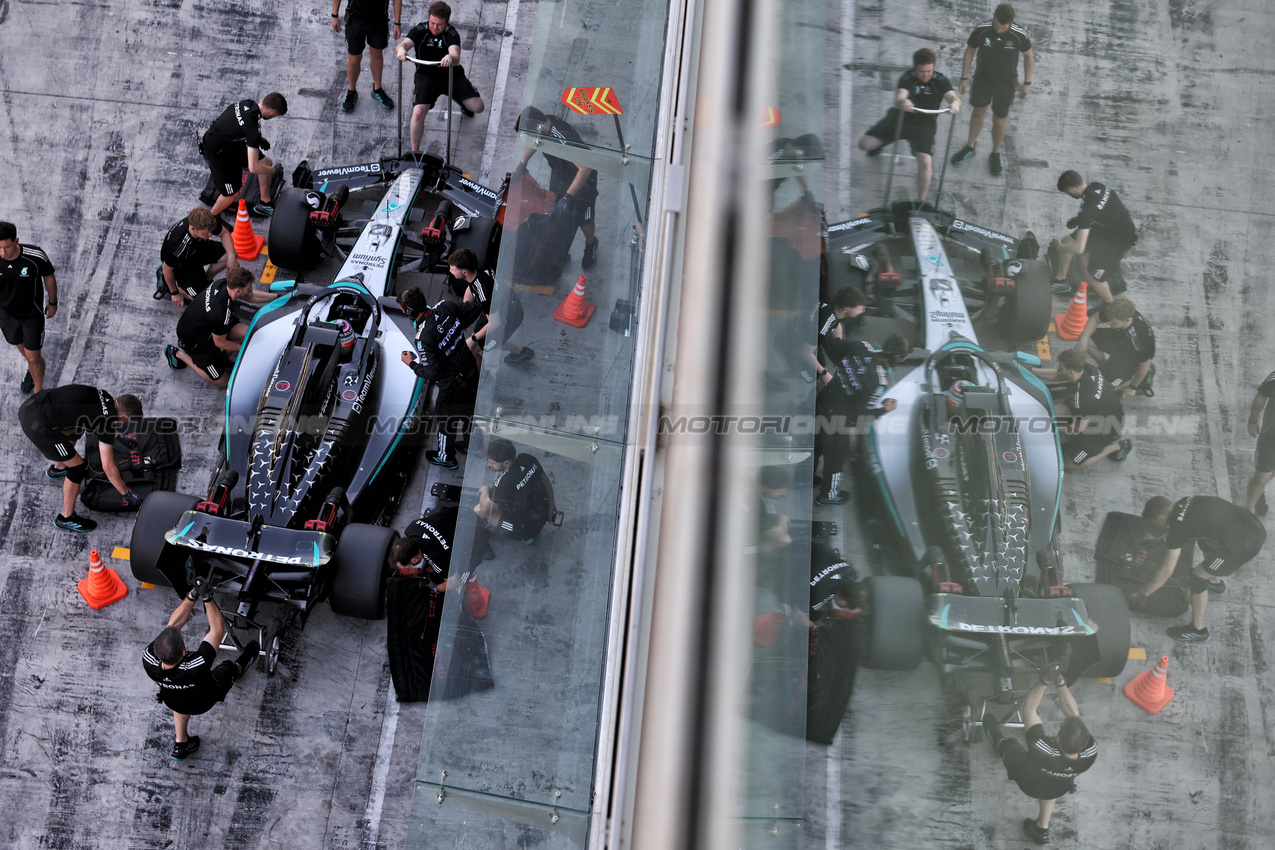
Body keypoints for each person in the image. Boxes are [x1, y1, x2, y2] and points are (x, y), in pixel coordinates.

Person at [142, 577, 258, 761]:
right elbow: (216, 630)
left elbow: (171, 627)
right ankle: (243, 663)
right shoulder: (196, 665)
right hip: (204, 699)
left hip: (174, 699)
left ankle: (182, 743)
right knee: (227, 667)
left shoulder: (149, 659)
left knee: (180, 699)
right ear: (183, 651)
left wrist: (191, 595)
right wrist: (207, 597)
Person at [984, 671, 1097, 846]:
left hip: (1028, 782)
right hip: (1058, 786)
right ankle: (1041, 829)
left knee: (1011, 745)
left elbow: (1028, 708)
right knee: (1052, 781)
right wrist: (1060, 682)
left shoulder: (1043, 748)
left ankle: (995, 738)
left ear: (1057, 738)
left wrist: (1044, 680)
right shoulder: (1089, 752)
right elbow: (1074, 717)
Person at [1136, 495, 1267, 642]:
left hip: (1243, 546)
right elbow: (1185, 527)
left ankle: (1198, 630)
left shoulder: (1176, 528)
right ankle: (1214, 582)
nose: (1160, 527)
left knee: (1196, 579)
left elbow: (1167, 569)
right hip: (1253, 525)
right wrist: (1159, 540)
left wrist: (1144, 593)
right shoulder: (1185, 501)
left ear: (1161, 519)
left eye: (1158, 524)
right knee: (1204, 540)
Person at [19, 384, 143, 532]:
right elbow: (108, 467)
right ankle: (66, 517)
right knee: (78, 467)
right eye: (126, 422)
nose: (124, 425)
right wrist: (126, 493)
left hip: (33, 404)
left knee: (77, 427)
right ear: (124, 416)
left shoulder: (104, 396)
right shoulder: (107, 421)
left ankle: (59, 468)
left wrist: (119, 437)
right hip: (37, 425)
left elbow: (94, 419)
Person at [857, 48, 961, 202]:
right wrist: (903, 102)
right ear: (915, 68)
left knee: (926, 164)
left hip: (925, 124)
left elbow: (953, 97)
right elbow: (899, 97)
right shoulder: (907, 78)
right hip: (900, 118)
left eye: (929, 71)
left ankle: (920, 202)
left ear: (933, 67)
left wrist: (955, 104)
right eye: (921, 71)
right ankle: (880, 144)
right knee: (864, 145)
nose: (925, 75)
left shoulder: (940, 80)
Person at [813, 335, 908, 504]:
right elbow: (861, 416)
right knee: (836, 459)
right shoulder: (877, 381)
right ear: (896, 360)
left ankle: (803, 478)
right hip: (836, 421)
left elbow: (830, 343)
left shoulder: (861, 346)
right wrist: (883, 410)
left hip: (821, 402)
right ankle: (828, 495)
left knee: (815, 445)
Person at [397, 286, 485, 468]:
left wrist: (411, 364)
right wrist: (456, 326)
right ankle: (473, 445)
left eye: (403, 309)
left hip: (451, 384)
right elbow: (475, 310)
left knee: (445, 422)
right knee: (470, 410)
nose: (403, 311)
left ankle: (446, 457)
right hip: (470, 368)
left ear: (410, 312)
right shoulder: (445, 307)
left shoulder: (423, 338)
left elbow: (431, 373)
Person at [949, 4, 1033, 177]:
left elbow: (1028, 55)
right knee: (978, 113)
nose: (999, 30)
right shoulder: (982, 29)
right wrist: (964, 78)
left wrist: (1027, 82)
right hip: (982, 80)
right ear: (993, 17)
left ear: (1012, 22)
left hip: (1006, 83)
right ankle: (970, 146)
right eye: (996, 25)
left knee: (999, 120)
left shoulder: (1019, 34)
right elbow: (970, 50)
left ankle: (995, 154)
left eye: (1003, 27)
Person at [514, 106, 601, 269]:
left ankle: (591, 244)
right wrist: (522, 163)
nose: (529, 138)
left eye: (528, 133)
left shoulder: (563, 139)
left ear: (537, 127)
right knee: (557, 213)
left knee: (584, 218)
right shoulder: (544, 122)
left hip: (583, 180)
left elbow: (586, 169)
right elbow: (536, 141)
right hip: (562, 174)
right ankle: (560, 250)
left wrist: (568, 196)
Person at [396, 2, 486, 152]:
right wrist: (401, 50)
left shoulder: (451, 34)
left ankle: (459, 98)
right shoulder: (420, 30)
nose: (435, 27)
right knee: (418, 112)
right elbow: (403, 45)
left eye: (439, 24)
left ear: (447, 22)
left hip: (450, 75)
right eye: (432, 23)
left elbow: (455, 55)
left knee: (478, 107)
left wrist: (451, 58)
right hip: (426, 76)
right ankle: (415, 152)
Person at [1032, 347, 1131, 469]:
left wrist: (1051, 428)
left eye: (1061, 368)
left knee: (1067, 464)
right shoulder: (1086, 368)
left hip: (1106, 427)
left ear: (1071, 372)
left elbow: (1078, 428)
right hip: (1095, 410)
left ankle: (1116, 446)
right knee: (1046, 413)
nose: (1059, 369)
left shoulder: (1085, 399)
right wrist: (1031, 370)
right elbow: (1058, 376)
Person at [1051, 170, 1137, 300]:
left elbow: (1078, 248)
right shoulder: (1097, 186)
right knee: (1067, 240)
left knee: (1095, 277)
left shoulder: (1087, 211)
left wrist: (1059, 247)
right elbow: (1102, 208)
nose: (1069, 195)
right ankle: (1061, 281)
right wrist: (1078, 220)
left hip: (1119, 240)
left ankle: (1110, 306)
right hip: (1108, 228)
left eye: (1067, 193)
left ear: (1071, 190)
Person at [201, 92, 288, 217]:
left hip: (229, 144)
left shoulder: (247, 103)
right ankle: (210, 218)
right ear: (272, 113)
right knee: (232, 194)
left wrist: (258, 140)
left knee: (266, 162)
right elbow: (253, 168)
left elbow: (236, 124)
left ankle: (264, 203)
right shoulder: (252, 129)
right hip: (216, 154)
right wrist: (274, 170)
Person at [446, 248, 534, 364]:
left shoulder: (483, 294)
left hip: (508, 317)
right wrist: (464, 312)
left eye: (453, 270)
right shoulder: (477, 266)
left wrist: (473, 339)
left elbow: (495, 323)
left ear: (464, 272)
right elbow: (471, 287)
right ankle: (522, 352)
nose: (451, 272)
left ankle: (482, 377)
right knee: (484, 340)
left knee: (476, 347)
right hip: (499, 308)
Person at [0, 221, 58, 395]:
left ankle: (38, 395)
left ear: (16, 241)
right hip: (6, 314)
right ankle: (33, 369)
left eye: (7, 247)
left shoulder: (35, 255)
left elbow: (49, 277)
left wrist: (53, 303)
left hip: (30, 315)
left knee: (33, 357)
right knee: (25, 351)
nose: (2, 253)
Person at [474, 437, 556, 541]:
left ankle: (485, 543)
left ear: (506, 462)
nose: (489, 465)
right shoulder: (528, 459)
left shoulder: (504, 482)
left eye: (493, 463)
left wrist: (485, 489)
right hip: (542, 514)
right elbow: (545, 480)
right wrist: (550, 506)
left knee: (479, 509)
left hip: (524, 529)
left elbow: (485, 507)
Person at [1073, 296, 1156, 398]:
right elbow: (1095, 318)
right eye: (1109, 320)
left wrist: (1132, 388)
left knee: (1103, 389)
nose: (1108, 323)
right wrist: (1084, 340)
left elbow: (1145, 364)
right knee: (1084, 338)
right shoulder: (1117, 311)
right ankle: (1104, 365)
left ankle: (1135, 378)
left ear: (1127, 320)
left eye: (1114, 322)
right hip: (1120, 340)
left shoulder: (1137, 339)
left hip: (1131, 358)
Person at [157, 207, 238, 306]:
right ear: (193, 228)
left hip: (197, 250)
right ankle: (175, 284)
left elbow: (224, 233)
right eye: (206, 233)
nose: (210, 234)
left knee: (231, 254)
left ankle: (205, 279)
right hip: (182, 266)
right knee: (204, 301)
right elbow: (167, 269)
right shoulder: (178, 246)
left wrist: (231, 257)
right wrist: (174, 293)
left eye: (211, 231)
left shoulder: (205, 221)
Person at [333, 0, 402, 112]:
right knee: (354, 58)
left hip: (378, 19)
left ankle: (377, 89)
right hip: (355, 19)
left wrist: (397, 23)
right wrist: (334, 15)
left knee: (377, 54)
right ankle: (351, 91)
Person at [1246, 369, 1275, 516]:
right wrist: (1252, 421)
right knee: (1261, 478)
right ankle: (1249, 514)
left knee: (1268, 474)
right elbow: (1260, 398)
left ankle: (1259, 491)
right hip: (1271, 439)